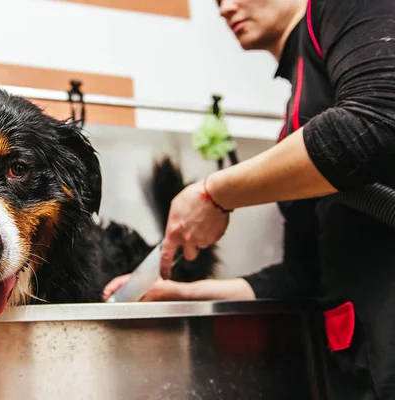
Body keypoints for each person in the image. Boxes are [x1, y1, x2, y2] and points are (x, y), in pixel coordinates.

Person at [102, 0, 395, 398]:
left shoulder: (346, 7)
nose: (224, 7)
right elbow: (299, 277)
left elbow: (378, 118)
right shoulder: (298, 101)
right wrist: (185, 294)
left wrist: (215, 192)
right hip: (360, 364)